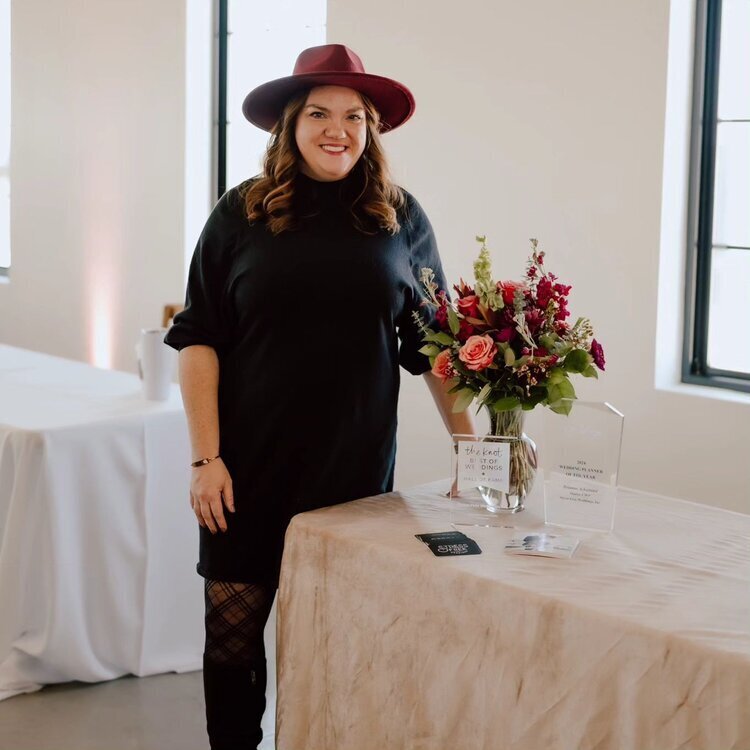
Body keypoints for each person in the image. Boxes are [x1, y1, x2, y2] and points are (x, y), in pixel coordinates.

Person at [165, 43, 476, 750]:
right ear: (289, 126)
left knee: (343, 648)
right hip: (243, 472)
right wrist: (204, 459)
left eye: (354, 116)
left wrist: (476, 449)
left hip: (353, 477)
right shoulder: (239, 212)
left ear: (370, 129)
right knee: (234, 648)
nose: (337, 129)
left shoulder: (400, 218)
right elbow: (199, 338)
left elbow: (436, 346)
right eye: (319, 113)